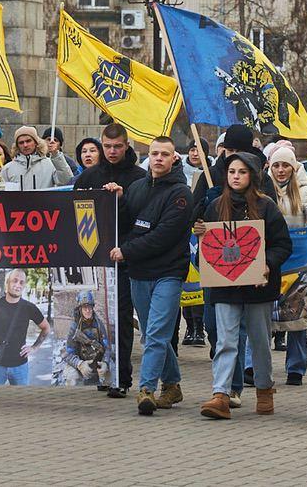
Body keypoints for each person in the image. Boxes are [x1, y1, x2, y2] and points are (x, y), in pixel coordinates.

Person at [193, 152, 291, 419]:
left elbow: (283, 244)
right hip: (225, 286)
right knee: (226, 340)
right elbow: (207, 251)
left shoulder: (266, 206)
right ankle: (221, 394)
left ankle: (264, 389)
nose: (236, 176)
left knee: (259, 341)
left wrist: (268, 263)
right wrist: (200, 234)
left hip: (258, 286)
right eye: (232, 171)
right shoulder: (214, 206)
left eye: (242, 172)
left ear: (252, 176)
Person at [115, 136, 193, 415]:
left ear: (174, 158)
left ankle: (146, 389)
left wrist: (126, 251)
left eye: (165, 154)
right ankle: (172, 385)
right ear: (148, 156)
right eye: (155, 153)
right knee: (152, 333)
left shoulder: (181, 194)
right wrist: (117, 199)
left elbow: (163, 236)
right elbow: (126, 222)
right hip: (139, 272)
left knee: (157, 334)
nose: (159, 158)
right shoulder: (136, 188)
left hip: (168, 273)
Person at [73, 123, 146, 396]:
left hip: (126, 256)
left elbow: (143, 216)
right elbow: (74, 214)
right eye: (107, 146)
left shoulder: (139, 177)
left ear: (126, 146)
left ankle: (121, 378)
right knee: (98, 318)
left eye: (117, 146)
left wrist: (121, 198)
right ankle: (103, 372)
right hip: (95, 256)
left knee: (122, 317)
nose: (112, 151)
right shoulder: (88, 176)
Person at [267, 142, 307, 386]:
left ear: (293, 167)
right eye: (276, 165)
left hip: (298, 264)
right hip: (271, 262)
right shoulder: (263, 192)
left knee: (297, 316)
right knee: (261, 316)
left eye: (285, 165)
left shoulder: (305, 192)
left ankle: (296, 368)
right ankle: (253, 365)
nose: (280, 170)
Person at [0, 268, 50, 384]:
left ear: (24, 285)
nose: (17, 285)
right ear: (7, 283)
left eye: (21, 282)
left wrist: (34, 347)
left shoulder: (29, 308)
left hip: (20, 367)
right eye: (14, 281)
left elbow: (46, 328)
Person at [1, 125, 73, 189]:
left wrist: (56, 155)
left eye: (28, 141)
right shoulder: (8, 169)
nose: (25, 145)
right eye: (21, 142)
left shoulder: (50, 164)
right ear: (17, 146)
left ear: (36, 142)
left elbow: (66, 181)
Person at [63, 290, 109, 385]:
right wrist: (79, 364)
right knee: (71, 378)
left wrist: (105, 363)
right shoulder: (74, 327)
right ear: (80, 309)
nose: (88, 310)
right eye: (84, 307)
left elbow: (107, 347)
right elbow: (68, 353)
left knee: (110, 377)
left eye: (90, 307)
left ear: (93, 307)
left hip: (97, 362)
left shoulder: (99, 324)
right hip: (81, 363)